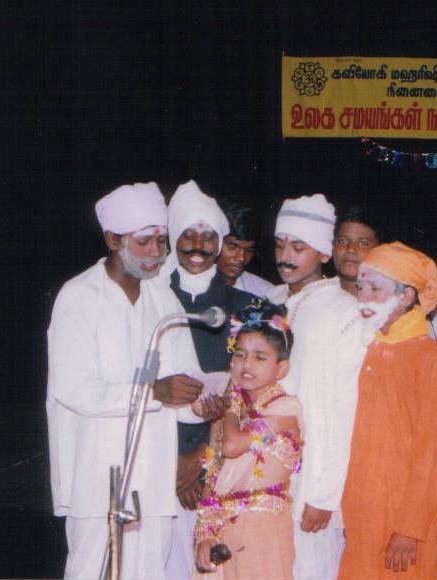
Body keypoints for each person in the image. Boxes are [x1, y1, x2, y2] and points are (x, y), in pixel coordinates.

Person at [46, 183, 205, 579]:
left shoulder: (162, 299)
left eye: (161, 241)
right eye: (144, 241)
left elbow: (185, 378)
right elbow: (74, 389)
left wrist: (201, 402)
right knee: (93, 570)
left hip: (153, 471)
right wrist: (154, 392)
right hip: (97, 471)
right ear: (112, 239)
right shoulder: (79, 296)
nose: (156, 252)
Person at [339, 242, 437, 580]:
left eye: (376, 289)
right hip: (358, 506)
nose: (364, 298)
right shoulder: (362, 347)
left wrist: (409, 528)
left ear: (406, 297)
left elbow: (432, 454)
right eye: (361, 288)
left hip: (402, 516)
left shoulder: (432, 359)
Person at [266, 194, 366, 580]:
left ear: (324, 253)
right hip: (267, 476)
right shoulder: (271, 302)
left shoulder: (344, 311)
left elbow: (343, 411)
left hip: (311, 486)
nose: (285, 256)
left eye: (298, 247)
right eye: (280, 244)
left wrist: (324, 494)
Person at [163, 180, 255, 578]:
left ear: (219, 242)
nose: (198, 245)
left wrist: (200, 459)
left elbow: (256, 396)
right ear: (173, 237)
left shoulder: (249, 309)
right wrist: (172, 463)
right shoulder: (149, 299)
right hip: (156, 465)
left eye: (208, 236)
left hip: (219, 468)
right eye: (188, 234)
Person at [193, 299, 302, 579]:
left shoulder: (285, 408)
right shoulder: (232, 412)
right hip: (220, 528)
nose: (246, 364)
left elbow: (232, 446)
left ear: (281, 369)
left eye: (260, 357)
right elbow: (213, 472)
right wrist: (204, 533)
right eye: (240, 355)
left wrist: (230, 403)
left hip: (261, 529)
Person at [332, 204, 437, 350]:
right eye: (342, 241)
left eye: (363, 243)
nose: (350, 249)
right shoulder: (318, 297)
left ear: (380, 251)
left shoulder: (411, 305)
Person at [217, 196, 276, 298]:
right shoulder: (192, 287)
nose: (241, 258)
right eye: (232, 246)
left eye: (249, 250)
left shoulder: (266, 293)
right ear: (214, 241)